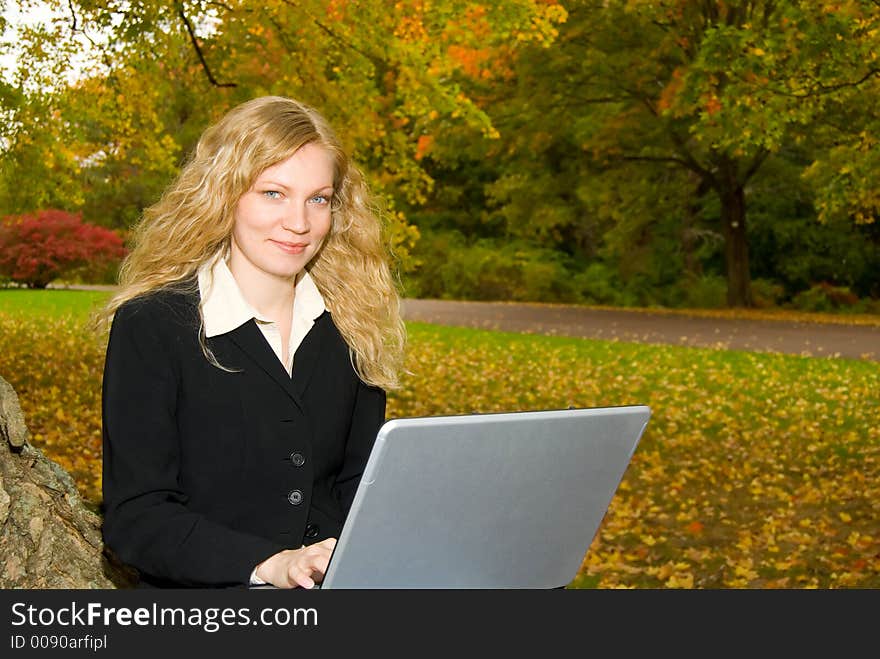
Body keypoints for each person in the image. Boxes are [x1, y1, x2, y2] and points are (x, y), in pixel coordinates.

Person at [99, 96, 406, 588]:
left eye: (318, 198)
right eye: (273, 193)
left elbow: (357, 490)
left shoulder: (352, 326)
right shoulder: (152, 325)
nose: (299, 223)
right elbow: (137, 517)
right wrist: (270, 565)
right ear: (225, 194)